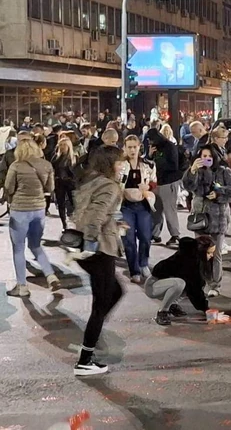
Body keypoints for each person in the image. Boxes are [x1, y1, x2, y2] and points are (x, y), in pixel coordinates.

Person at [71, 145, 126, 376]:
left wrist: (114, 224)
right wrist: (91, 242)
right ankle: (85, 359)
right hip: (100, 249)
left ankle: (92, 338)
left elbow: (87, 213)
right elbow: (95, 216)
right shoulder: (109, 185)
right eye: (119, 162)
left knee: (114, 292)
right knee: (101, 303)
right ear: (109, 163)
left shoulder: (90, 181)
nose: (122, 166)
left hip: (93, 247)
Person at [4, 134, 59, 297]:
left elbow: (8, 188)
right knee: (35, 245)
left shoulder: (16, 166)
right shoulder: (47, 165)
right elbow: (50, 188)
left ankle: (22, 286)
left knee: (18, 248)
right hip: (39, 210)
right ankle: (50, 275)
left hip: (20, 211)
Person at [182, 144, 231, 297]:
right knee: (200, 254)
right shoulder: (196, 171)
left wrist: (219, 193)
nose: (206, 159)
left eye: (209, 156)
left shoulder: (224, 171)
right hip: (200, 217)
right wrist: (192, 171)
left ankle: (215, 285)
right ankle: (200, 283)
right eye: (203, 156)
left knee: (216, 254)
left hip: (218, 218)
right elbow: (188, 186)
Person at [147, 235, 213, 326]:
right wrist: (206, 309)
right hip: (153, 286)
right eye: (209, 253)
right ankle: (162, 312)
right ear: (201, 251)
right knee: (180, 284)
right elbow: (195, 290)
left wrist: (205, 308)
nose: (212, 255)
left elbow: (195, 286)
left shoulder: (193, 259)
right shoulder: (187, 261)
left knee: (187, 284)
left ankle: (171, 305)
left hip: (165, 283)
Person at [119, 135, 157, 283]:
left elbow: (154, 181)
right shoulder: (120, 165)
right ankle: (134, 270)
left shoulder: (148, 164)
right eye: (129, 147)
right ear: (125, 148)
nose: (132, 150)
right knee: (129, 239)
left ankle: (143, 263)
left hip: (143, 205)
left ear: (139, 147)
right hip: (125, 206)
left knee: (145, 237)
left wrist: (148, 187)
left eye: (134, 147)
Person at [147, 127, 183, 248]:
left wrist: (158, 164)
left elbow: (173, 165)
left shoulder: (169, 146)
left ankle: (175, 235)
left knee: (169, 210)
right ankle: (154, 234)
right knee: (156, 210)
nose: (150, 142)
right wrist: (150, 155)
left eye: (151, 140)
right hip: (157, 182)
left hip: (169, 181)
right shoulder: (154, 148)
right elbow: (148, 164)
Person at [51, 136, 79, 230]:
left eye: (64, 145)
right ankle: (64, 224)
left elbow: (78, 172)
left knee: (74, 203)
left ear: (69, 146)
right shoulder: (56, 157)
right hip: (59, 182)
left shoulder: (74, 157)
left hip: (71, 183)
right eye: (61, 145)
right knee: (61, 204)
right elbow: (51, 169)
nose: (62, 147)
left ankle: (75, 222)